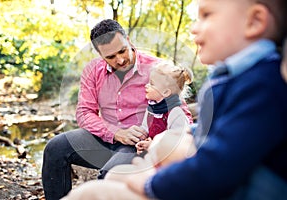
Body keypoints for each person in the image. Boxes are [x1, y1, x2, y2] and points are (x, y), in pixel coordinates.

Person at [62, 0, 287, 199]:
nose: (193, 27)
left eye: (206, 15)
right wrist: (118, 133)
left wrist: (153, 181)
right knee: (84, 161)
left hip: (225, 185)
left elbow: (218, 163)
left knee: (91, 192)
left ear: (255, 21)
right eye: (110, 56)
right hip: (119, 139)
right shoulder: (235, 79)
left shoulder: (261, 84)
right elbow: (227, 132)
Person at [41, 19, 193, 200]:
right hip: (104, 137)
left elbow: (182, 114)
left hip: (137, 145)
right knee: (55, 148)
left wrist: (157, 143)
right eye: (111, 57)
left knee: (109, 176)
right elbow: (84, 112)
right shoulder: (92, 71)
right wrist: (115, 133)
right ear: (99, 54)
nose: (120, 60)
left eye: (122, 51)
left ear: (128, 40)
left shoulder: (158, 69)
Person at [105, 61, 196, 181]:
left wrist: (152, 145)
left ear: (165, 92)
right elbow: (146, 128)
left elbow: (177, 145)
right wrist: (141, 141)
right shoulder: (152, 107)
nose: (146, 86)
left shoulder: (175, 113)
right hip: (154, 156)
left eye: (152, 84)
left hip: (170, 164)